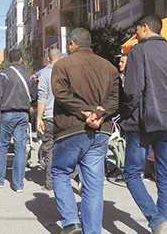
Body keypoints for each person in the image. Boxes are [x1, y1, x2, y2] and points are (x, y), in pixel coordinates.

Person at [51, 28, 119, 234]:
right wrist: (99, 114)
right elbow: (115, 100)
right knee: (93, 185)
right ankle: (92, 231)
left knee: (60, 172)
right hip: (101, 131)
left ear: (72, 44)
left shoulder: (62, 65)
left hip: (71, 129)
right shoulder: (109, 67)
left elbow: (61, 94)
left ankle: (71, 223)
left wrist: (85, 114)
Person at [122, 15, 167, 234]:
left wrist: (125, 113)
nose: (135, 35)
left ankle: (156, 221)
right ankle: (163, 225)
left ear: (145, 28)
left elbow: (132, 92)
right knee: (165, 175)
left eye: (137, 30)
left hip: (141, 123)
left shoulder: (138, 51)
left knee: (132, 174)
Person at [0, 49, 34, 192]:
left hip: (7, 115)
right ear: (21, 59)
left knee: (2, 146)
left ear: (8, 59)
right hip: (23, 115)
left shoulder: (3, 74)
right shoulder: (28, 74)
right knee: (21, 148)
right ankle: (18, 184)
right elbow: (34, 94)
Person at [36, 48, 62, 191]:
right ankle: (72, 176)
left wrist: (39, 118)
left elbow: (42, 97)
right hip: (66, 117)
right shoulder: (68, 71)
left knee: (51, 149)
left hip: (50, 116)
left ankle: (50, 181)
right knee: (68, 147)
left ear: (48, 58)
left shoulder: (45, 73)